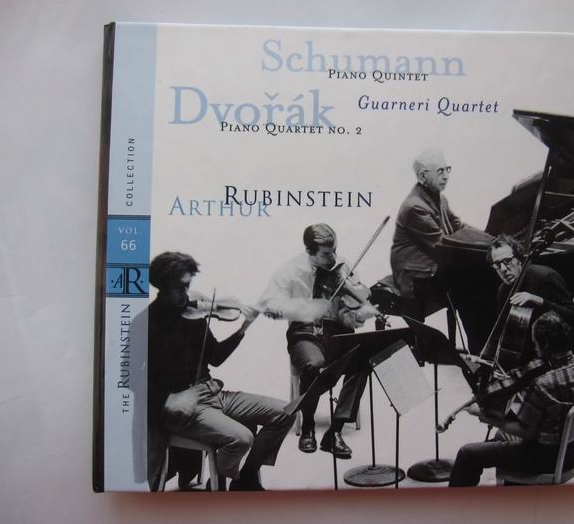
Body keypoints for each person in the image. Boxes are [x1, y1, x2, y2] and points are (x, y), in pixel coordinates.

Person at [146, 252, 293, 491]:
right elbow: (136, 378)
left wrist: (243, 328)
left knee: (285, 413)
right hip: (185, 408)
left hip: (213, 392)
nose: (186, 294)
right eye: (180, 287)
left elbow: (215, 357)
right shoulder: (149, 323)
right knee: (242, 438)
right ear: (163, 286)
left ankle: (244, 479)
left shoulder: (193, 314)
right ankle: (220, 482)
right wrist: (169, 399)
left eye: (188, 286)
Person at [258, 224, 378, 459]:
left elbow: (348, 314)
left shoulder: (343, 266)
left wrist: (358, 315)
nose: (333, 258)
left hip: (337, 331)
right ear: (309, 251)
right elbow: (268, 304)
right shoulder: (291, 270)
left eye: (334, 251)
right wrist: (305, 308)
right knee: (313, 364)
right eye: (325, 254)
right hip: (304, 331)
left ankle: (335, 430)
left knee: (362, 361)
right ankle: (308, 425)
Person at [448, 310, 574, 487]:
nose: (534, 348)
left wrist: (485, 416)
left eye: (535, 343)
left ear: (546, 345)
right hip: (570, 450)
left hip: (543, 458)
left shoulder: (543, 385)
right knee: (499, 437)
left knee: (467, 454)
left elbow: (525, 432)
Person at [390, 147, 490, 353]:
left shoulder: (440, 198)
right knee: (469, 287)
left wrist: (491, 239)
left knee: (480, 278)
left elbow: (459, 226)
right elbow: (441, 245)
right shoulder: (414, 207)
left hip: (433, 262)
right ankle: (479, 349)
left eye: (447, 169)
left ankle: (485, 344)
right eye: (440, 171)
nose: (446, 176)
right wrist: (485, 249)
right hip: (416, 273)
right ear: (423, 176)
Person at [482, 234, 574, 364]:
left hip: (568, 358)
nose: (503, 269)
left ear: (519, 259)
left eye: (507, 261)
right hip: (536, 359)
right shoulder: (503, 290)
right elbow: (502, 330)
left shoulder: (545, 277)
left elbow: (572, 316)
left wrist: (539, 301)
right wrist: (484, 357)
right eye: (497, 264)